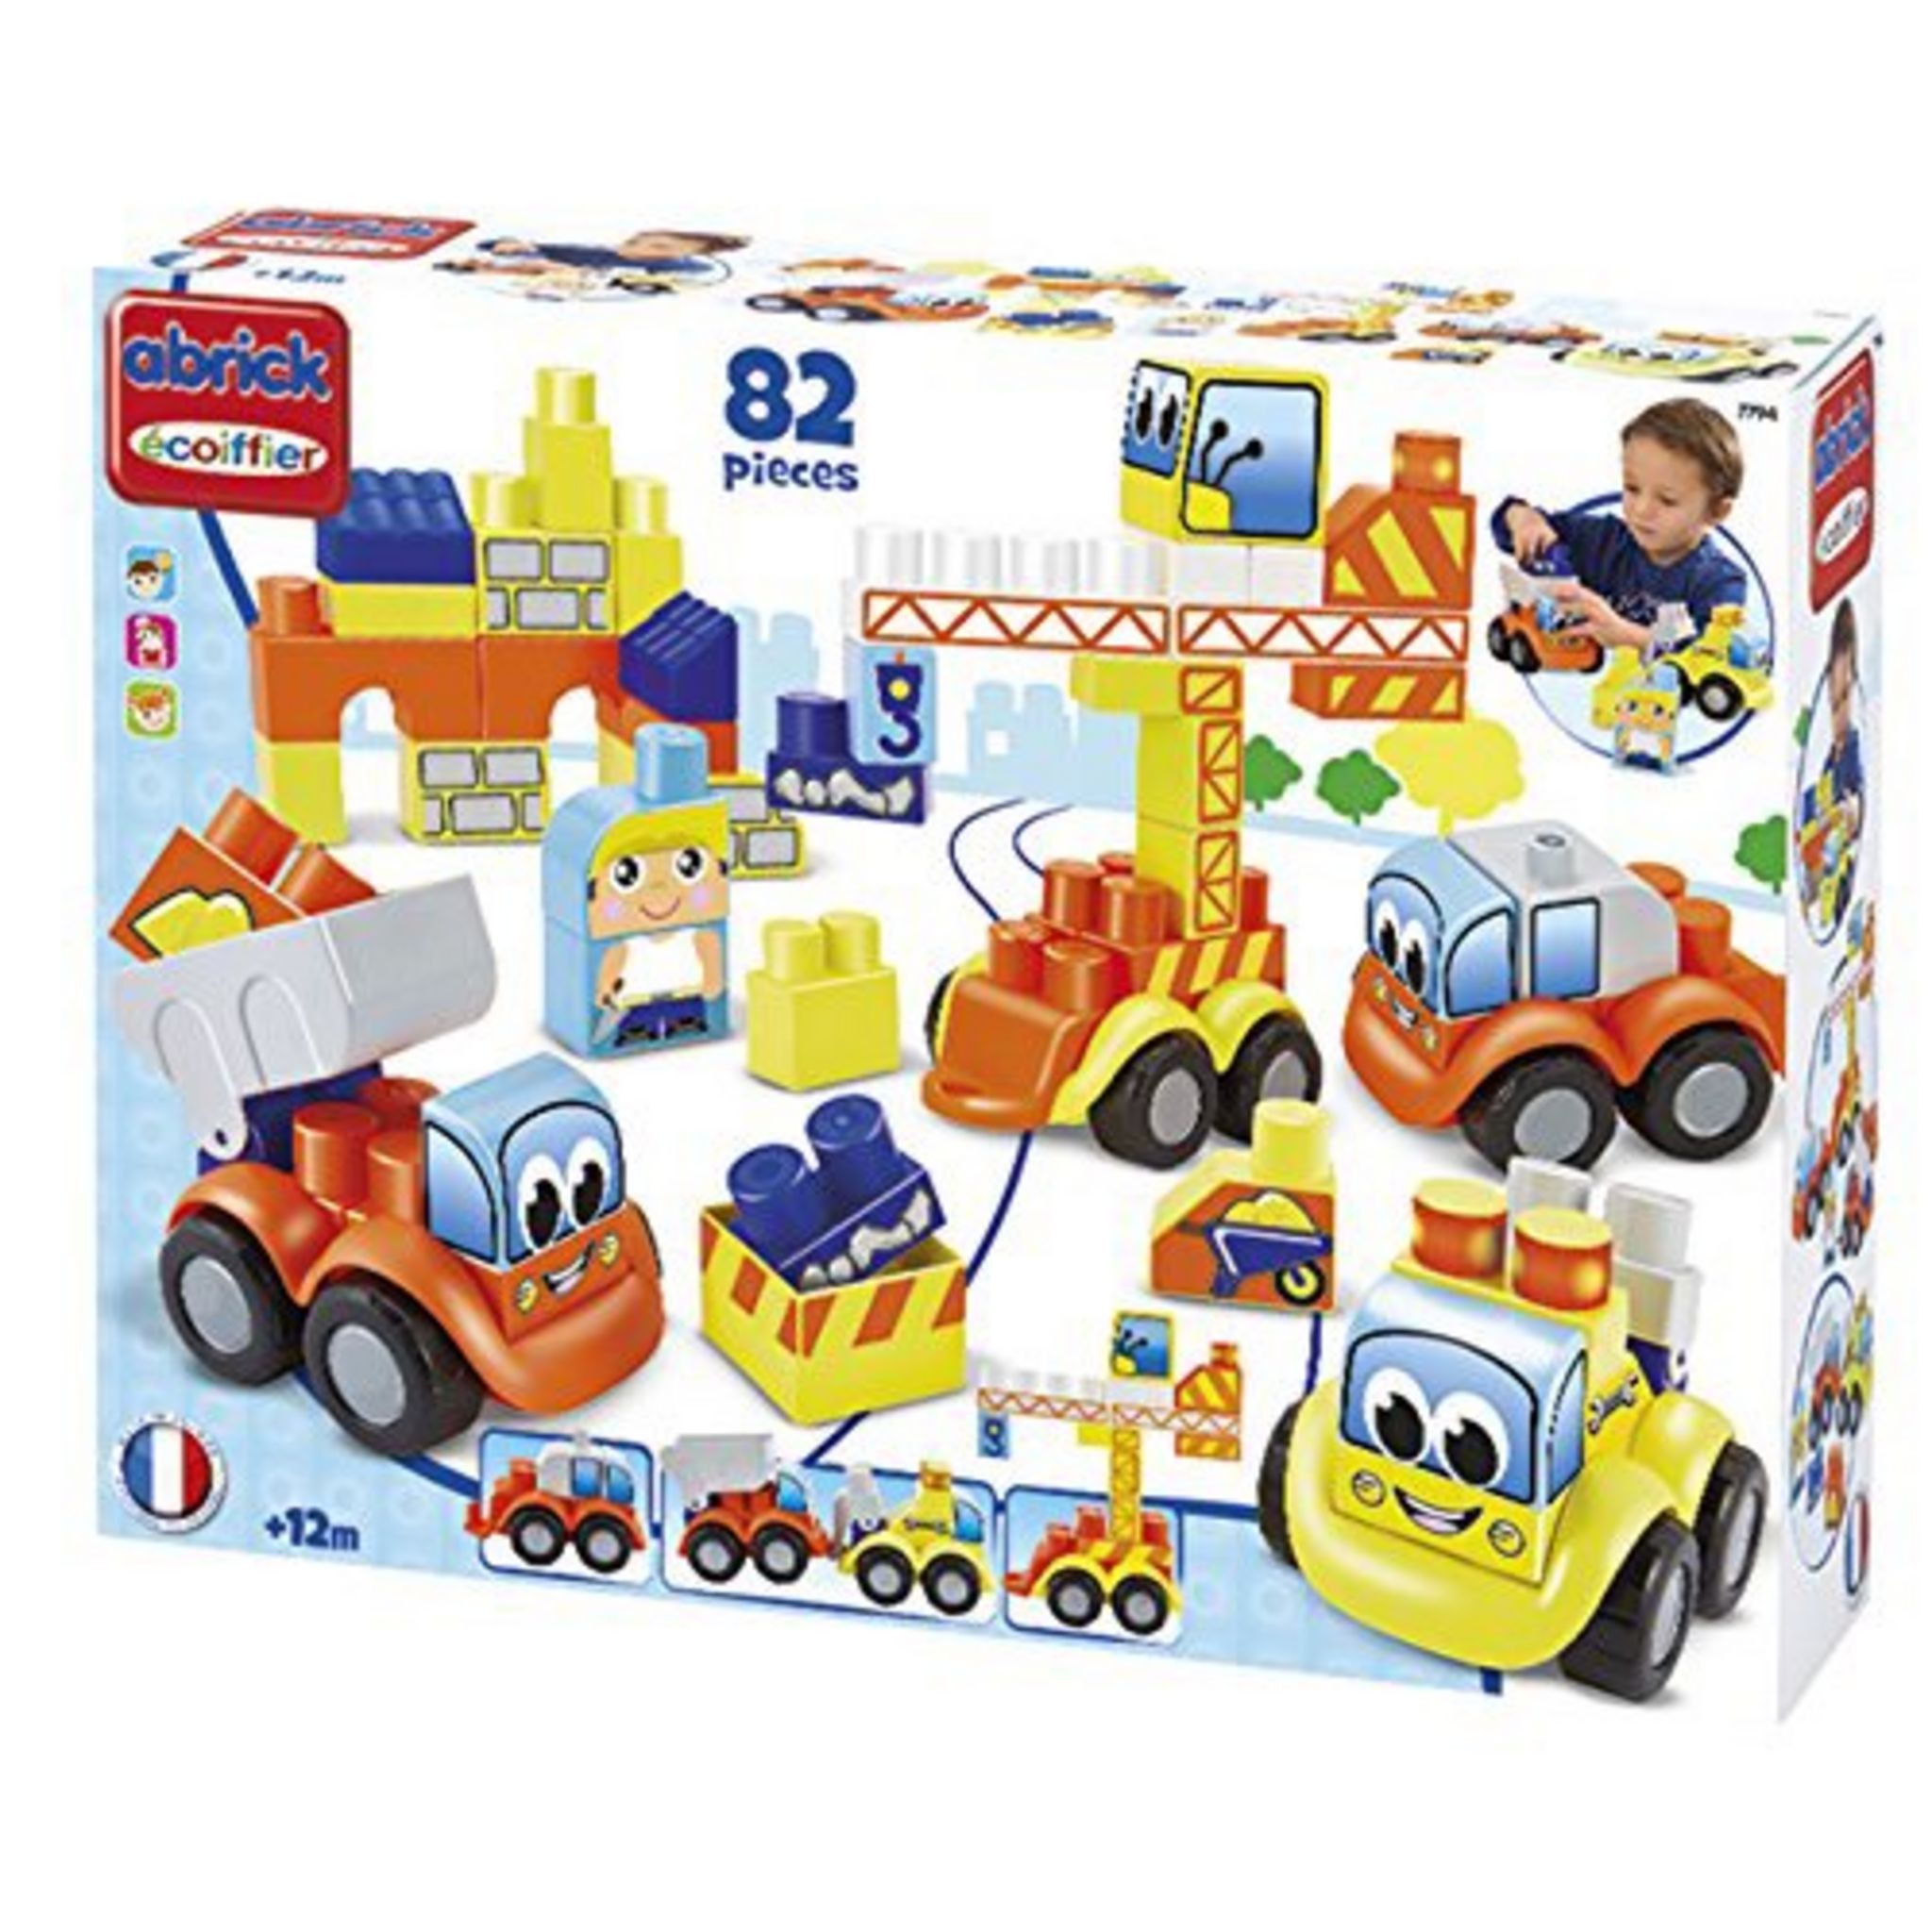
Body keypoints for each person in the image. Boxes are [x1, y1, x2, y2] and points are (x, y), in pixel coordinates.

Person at [1494, 398, 1746, 652]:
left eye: (1667, 500)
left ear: (1716, 511)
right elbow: (1506, 525)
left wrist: (1629, 636)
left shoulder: (1719, 582)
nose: (1641, 509)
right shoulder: (1603, 540)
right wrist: (1523, 518)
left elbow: (1714, 657)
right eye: (1632, 488)